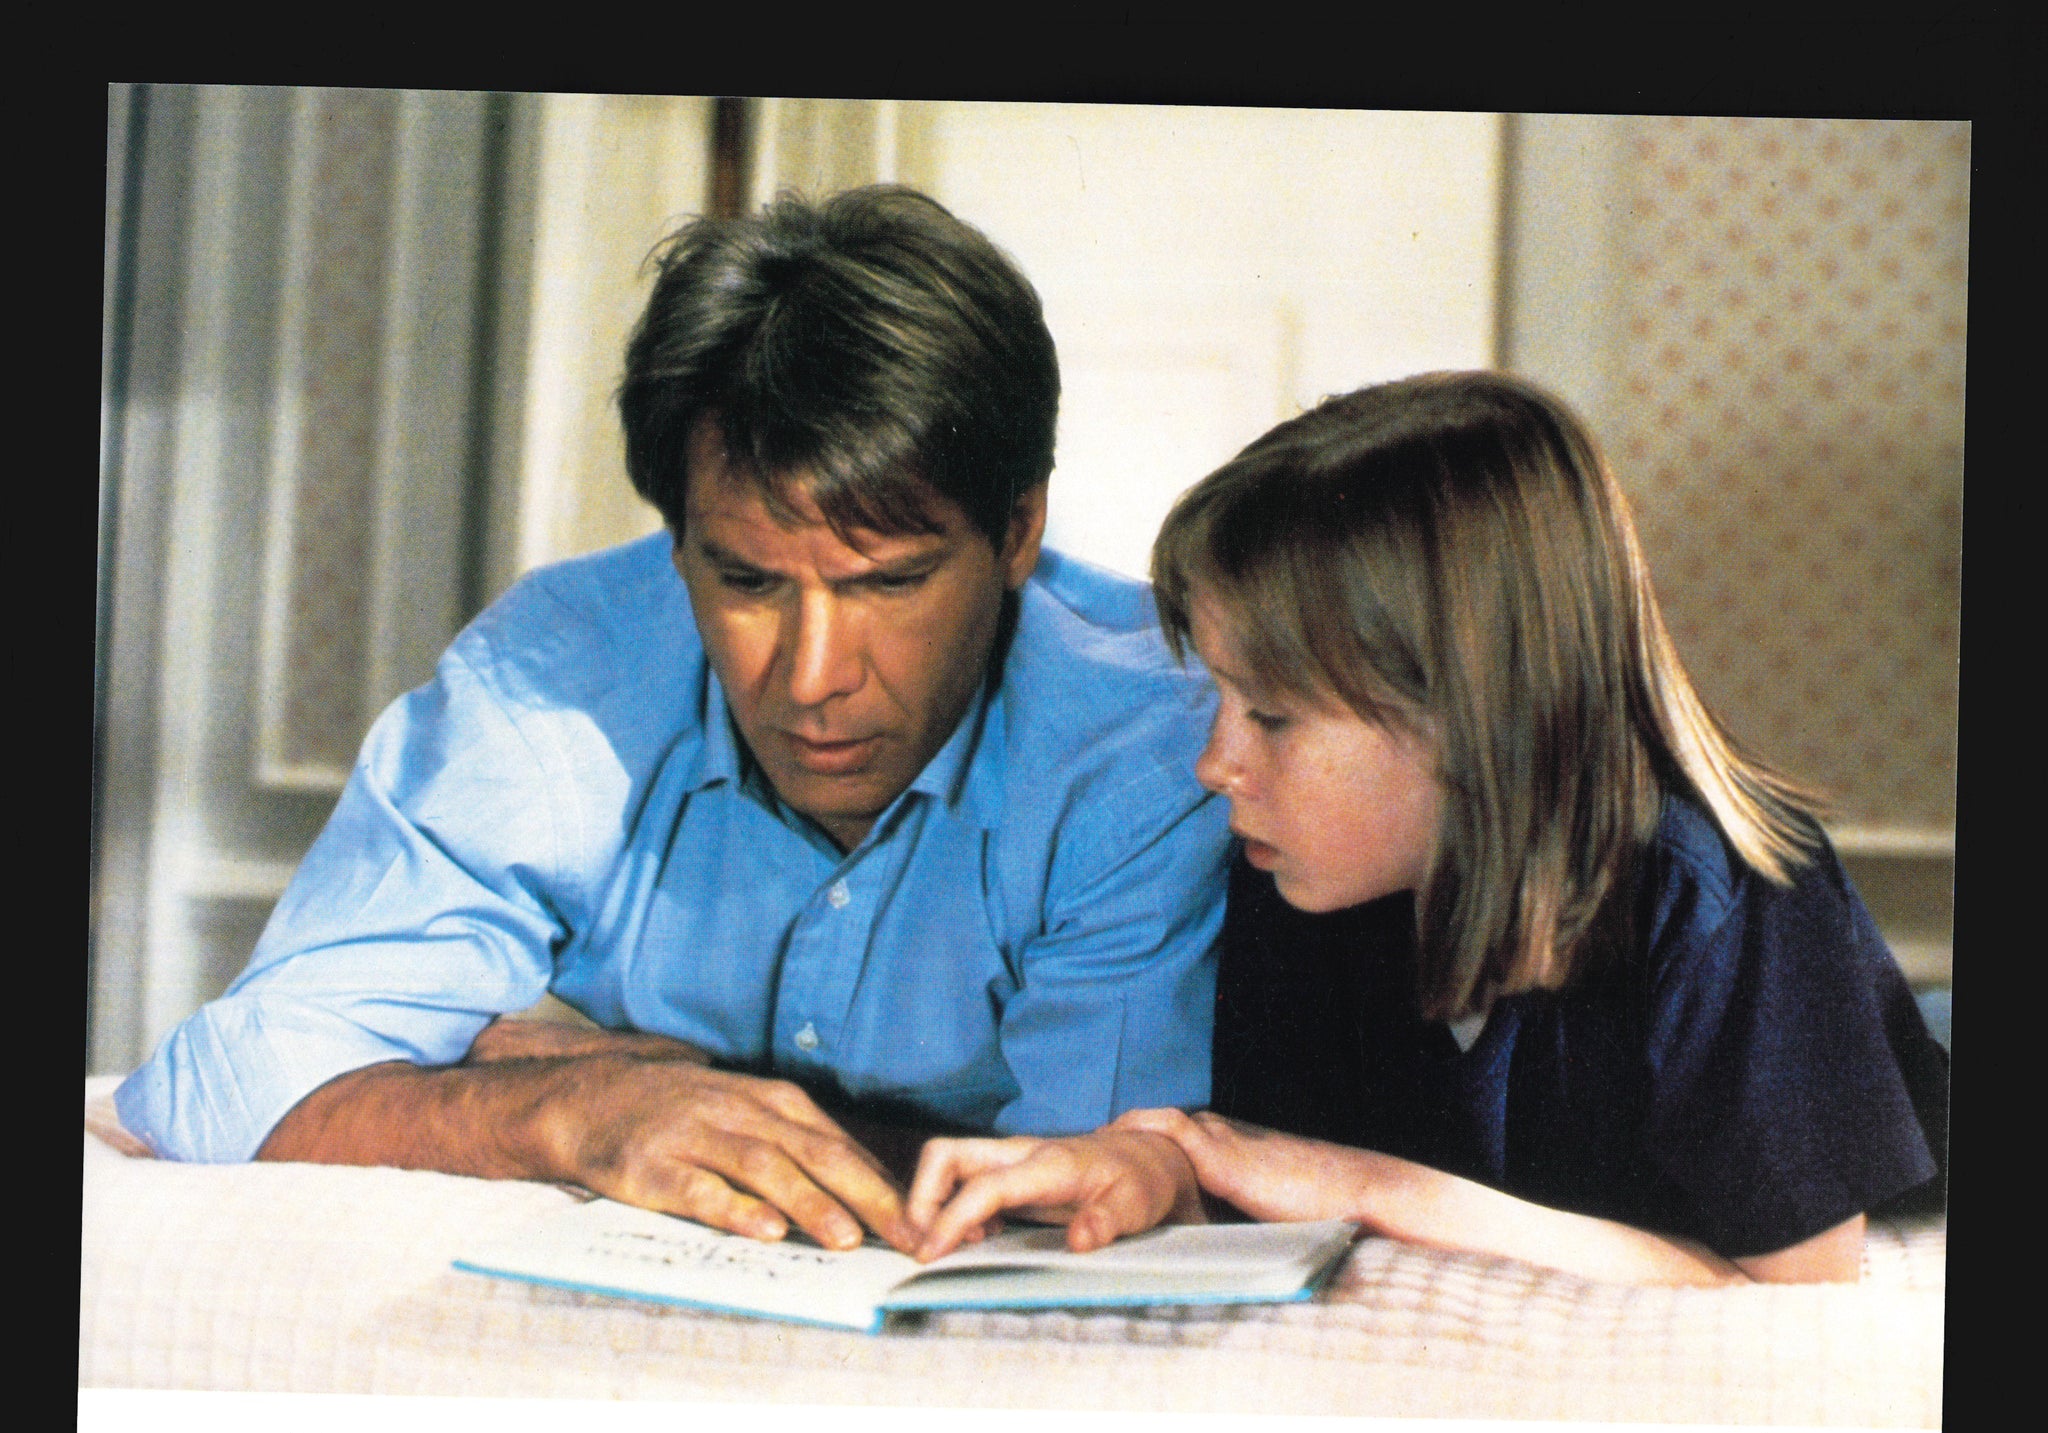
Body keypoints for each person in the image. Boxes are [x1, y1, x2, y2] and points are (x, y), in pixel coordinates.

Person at [115, 187, 1232, 1257]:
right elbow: (219, 1084)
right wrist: (570, 1107)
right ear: (679, 540)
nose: (811, 678)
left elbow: (1077, 1197)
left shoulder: (1149, 736)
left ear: (1019, 530)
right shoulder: (556, 680)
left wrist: (663, 1088)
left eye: (889, 584)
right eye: (746, 580)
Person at [905, 371, 1945, 1284]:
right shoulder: (1303, 872)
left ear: (1470, 716)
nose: (1214, 764)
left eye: (1271, 715)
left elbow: (1795, 1286)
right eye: (1219, 698)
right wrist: (1157, 1165)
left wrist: (1375, 1187)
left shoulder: (1732, 890)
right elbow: (1273, 1163)